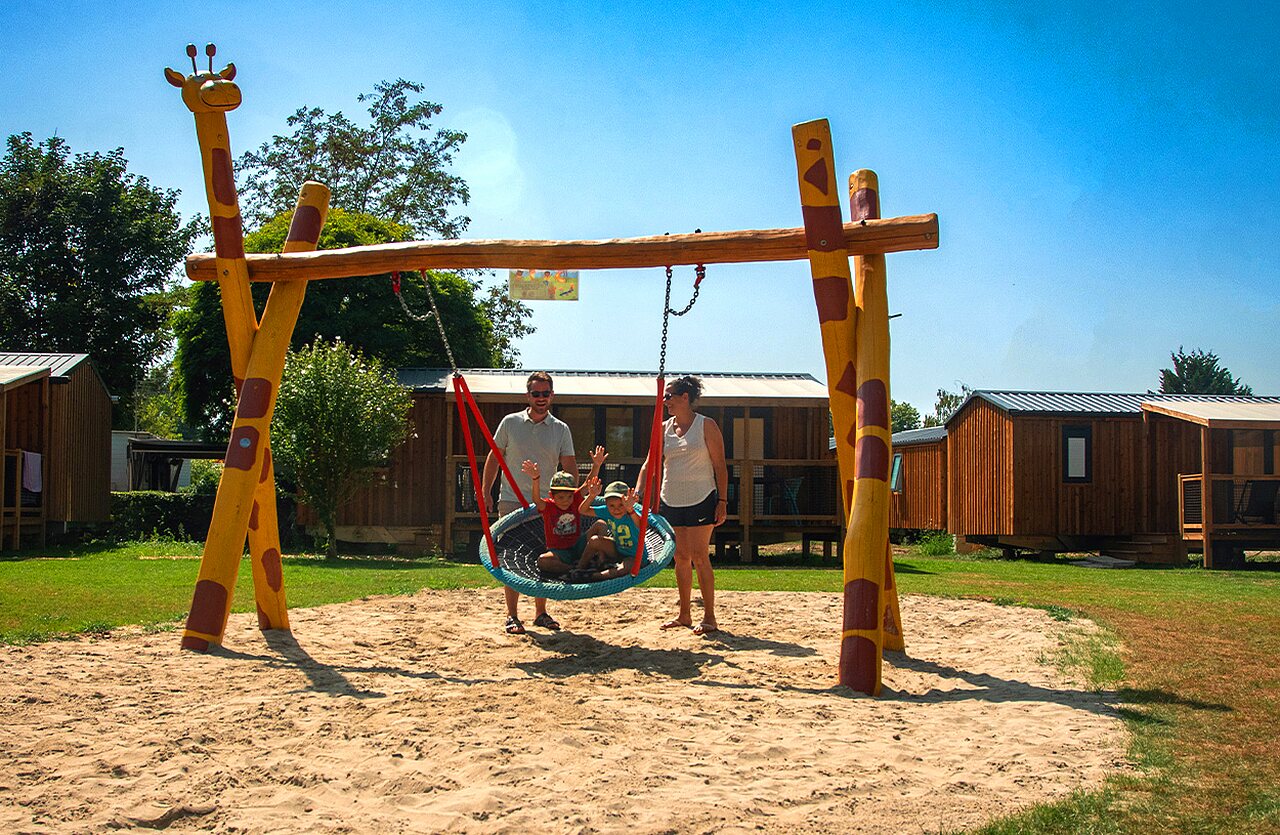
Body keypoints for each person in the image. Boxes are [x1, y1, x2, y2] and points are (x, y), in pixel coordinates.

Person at [483, 371, 577, 635]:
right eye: (536, 394)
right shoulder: (510, 423)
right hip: (512, 500)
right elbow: (494, 457)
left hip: (546, 504)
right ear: (528, 396)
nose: (541, 398)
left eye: (545, 393)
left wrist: (571, 498)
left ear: (552, 396)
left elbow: (569, 465)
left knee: (542, 556)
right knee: (509, 557)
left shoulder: (560, 429)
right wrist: (485, 490)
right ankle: (512, 615)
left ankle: (541, 612)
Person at [638, 375, 728, 635]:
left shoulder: (706, 426)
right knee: (680, 557)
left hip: (701, 498)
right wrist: (640, 491)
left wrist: (722, 500)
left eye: (669, 396)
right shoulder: (663, 428)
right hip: (671, 500)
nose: (664, 401)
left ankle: (709, 616)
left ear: (685, 397)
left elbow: (720, 466)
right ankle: (684, 614)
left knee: (700, 556)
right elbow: (649, 464)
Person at [522, 447, 608, 579]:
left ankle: (601, 560)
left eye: (569, 497)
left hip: (578, 546)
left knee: (601, 524)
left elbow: (588, 484)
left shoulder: (575, 499)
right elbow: (536, 500)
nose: (566, 501)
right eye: (561, 497)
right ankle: (576, 569)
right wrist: (536, 479)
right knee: (542, 561)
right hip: (559, 552)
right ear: (552, 496)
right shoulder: (549, 506)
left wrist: (596, 465)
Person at [574, 477, 644, 582]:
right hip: (617, 549)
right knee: (594, 540)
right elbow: (582, 510)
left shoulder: (631, 514)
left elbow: (641, 525)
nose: (616, 509)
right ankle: (579, 569)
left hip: (634, 556)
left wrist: (631, 509)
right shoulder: (606, 511)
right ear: (606, 504)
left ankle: (593, 576)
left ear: (628, 503)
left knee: (623, 570)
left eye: (621, 505)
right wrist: (591, 496)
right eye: (612, 505)